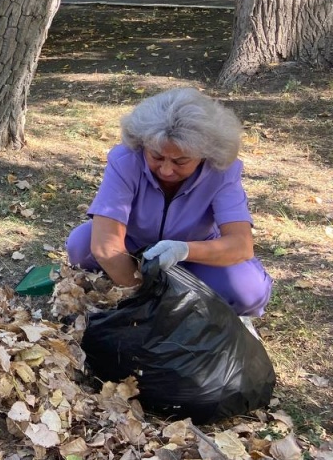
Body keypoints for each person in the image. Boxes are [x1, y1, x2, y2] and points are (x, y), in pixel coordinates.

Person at [66, 87, 272, 319]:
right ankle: (129, 294)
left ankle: (210, 309)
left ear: (205, 154)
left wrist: (184, 250)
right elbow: (106, 246)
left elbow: (240, 245)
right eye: (156, 156)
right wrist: (144, 299)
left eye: (180, 161)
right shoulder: (125, 160)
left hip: (194, 255)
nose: (166, 169)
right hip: (133, 248)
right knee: (82, 245)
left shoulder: (222, 170)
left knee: (247, 291)